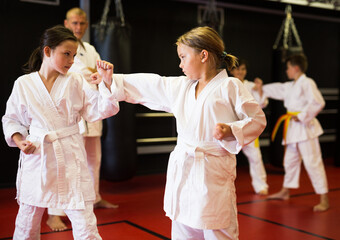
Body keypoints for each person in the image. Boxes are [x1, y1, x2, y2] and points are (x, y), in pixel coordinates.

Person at [94, 26, 267, 240]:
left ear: (203, 55)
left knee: (217, 229)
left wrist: (232, 129)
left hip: (212, 171)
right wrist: (113, 80)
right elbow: (153, 84)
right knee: (183, 228)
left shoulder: (230, 86)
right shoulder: (183, 86)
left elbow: (257, 119)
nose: (180, 64)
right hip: (184, 169)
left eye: (183, 57)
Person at [2, 25, 119, 239]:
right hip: (37, 154)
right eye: (66, 54)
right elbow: (12, 119)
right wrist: (20, 141)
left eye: (74, 55)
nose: (71, 61)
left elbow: (98, 110)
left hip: (70, 152)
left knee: (84, 219)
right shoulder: (24, 84)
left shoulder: (75, 81)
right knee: (27, 219)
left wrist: (106, 83)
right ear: (47, 51)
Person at [46, 7, 118, 232]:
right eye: (74, 23)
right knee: (65, 162)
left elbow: (94, 71)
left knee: (93, 158)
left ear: (86, 25)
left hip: (91, 107)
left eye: (82, 24)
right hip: (71, 112)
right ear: (67, 24)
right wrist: (90, 74)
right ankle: (54, 213)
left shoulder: (90, 49)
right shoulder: (61, 50)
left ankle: (94, 196)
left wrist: (92, 74)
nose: (78, 27)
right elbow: (79, 72)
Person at [254, 53, 329, 212]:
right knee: (290, 161)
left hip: (305, 128)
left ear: (295, 68)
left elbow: (318, 102)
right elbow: (278, 88)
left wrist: (301, 116)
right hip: (293, 128)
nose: (286, 70)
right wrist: (261, 88)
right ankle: (285, 191)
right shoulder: (292, 85)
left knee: (312, 162)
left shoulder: (307, 83)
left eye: (288, 68)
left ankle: (324, 198)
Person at [229, 59, 269, 195]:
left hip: (248, 126)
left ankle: (261, 185)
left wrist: (260, 90)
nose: (240, 72)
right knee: (225, 157)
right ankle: (223, 187)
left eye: (243, 69)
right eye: (237, 69)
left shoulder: (251, 86)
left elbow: (263, 104)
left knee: (255, 157)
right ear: (232, 70)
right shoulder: (226, 84)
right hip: (230, 126)